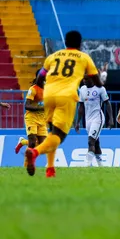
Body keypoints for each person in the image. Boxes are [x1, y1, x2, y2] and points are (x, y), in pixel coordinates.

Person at [24, 30, 102, 177]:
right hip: (66, 97)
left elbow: (40, 78)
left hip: (49, 94)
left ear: (65, 42)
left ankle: (50, 168)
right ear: (80, 43)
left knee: (52, 132)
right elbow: (97, 83)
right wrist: (101, 78)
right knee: (59, 136)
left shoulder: (53, 57)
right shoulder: (84, 58)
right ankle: (34, 152)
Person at [76, 75, 114, 167]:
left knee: (90, 141)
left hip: (98, 118)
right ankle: (100, 165)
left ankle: (86, 165)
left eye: (86, 79)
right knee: (96, 143)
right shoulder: (82, 89)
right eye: (83, 79)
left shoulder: (100, 88)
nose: (84, 81)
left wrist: (111, 119)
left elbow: (107, 103)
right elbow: (81, 106)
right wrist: (78, 122)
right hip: (88, 120)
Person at [15, 70, 47, 155]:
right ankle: (28, 162)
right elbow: (27, 106)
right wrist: (41, 108)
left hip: (42, 119)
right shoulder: (33, 89)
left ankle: (22, 142)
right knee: (32, 143)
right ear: (38, 77)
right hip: (31, 118)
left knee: (42, 145)